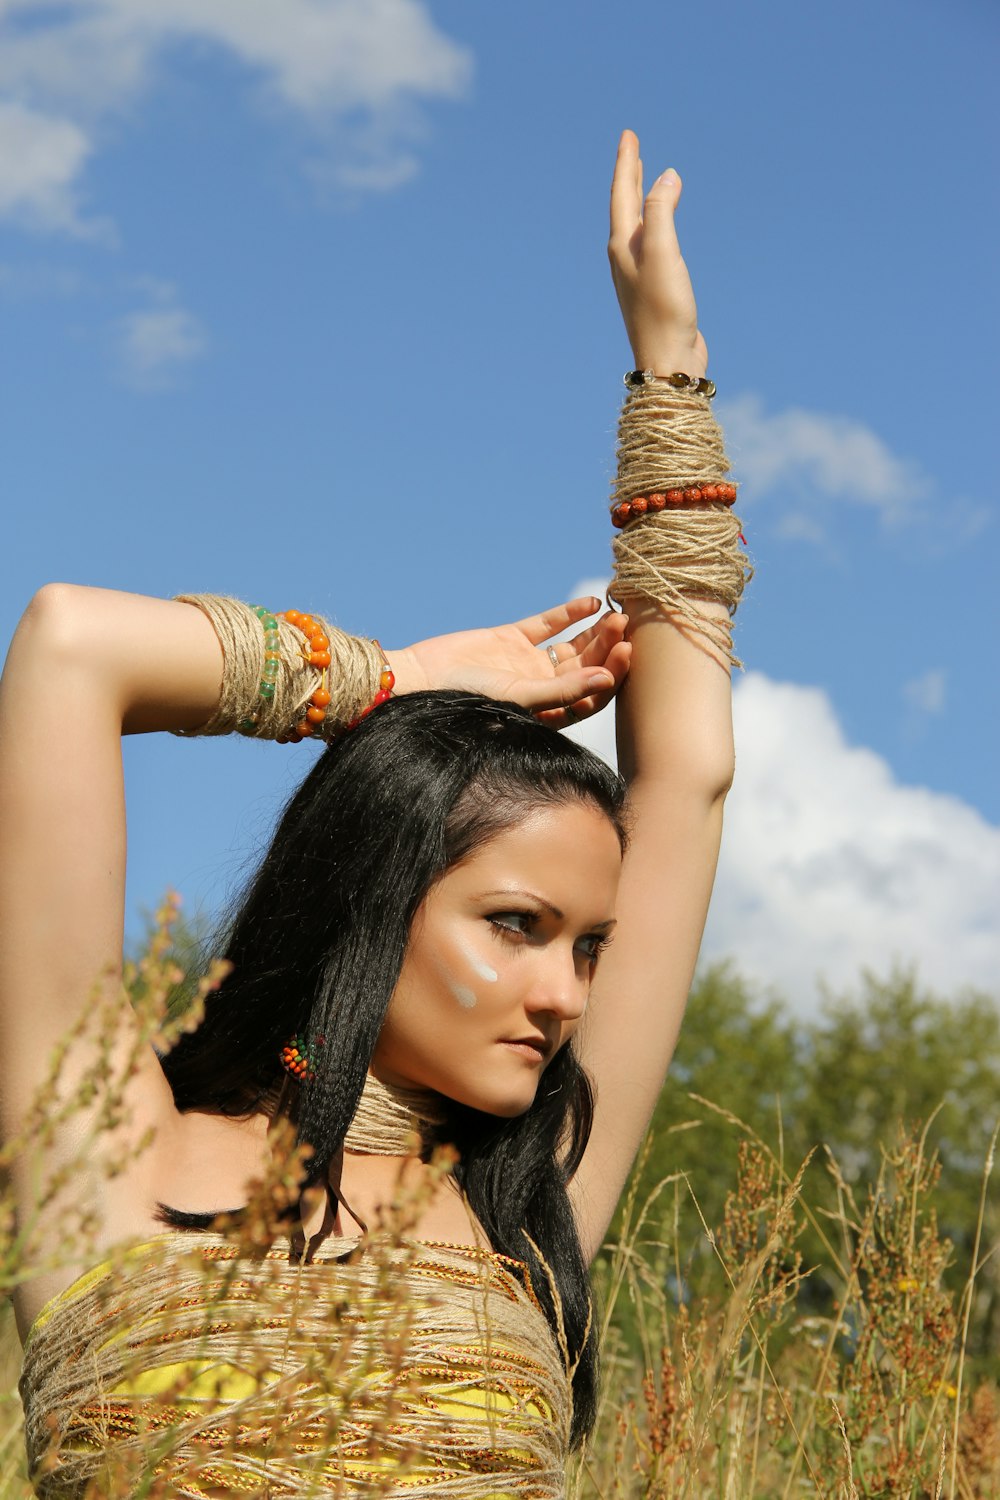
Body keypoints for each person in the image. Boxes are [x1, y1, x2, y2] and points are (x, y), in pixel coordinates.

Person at [1, 130, 745, 1497]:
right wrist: (395, 683)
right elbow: (69, 650)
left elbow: (687, 781)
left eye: (588, 945)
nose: (567, 993)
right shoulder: (100, 1144)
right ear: (371, 897)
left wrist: (673, 371)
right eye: (517, 925)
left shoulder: (529, 1203)